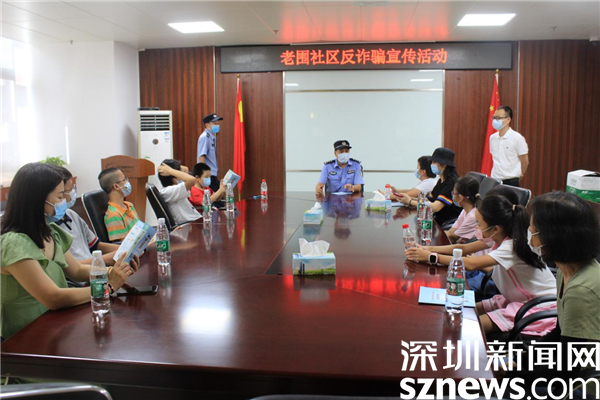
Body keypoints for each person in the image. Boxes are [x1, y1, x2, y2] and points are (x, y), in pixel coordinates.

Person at [0, 163, 134, 339]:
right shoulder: (14, 243)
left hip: (55, 324)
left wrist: (114, 272)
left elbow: (76, 271)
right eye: (59, 196)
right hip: (24, 337)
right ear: (38, 200)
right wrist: (107, 286)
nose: (65, 200)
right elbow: (53, 298)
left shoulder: (50, 232)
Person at [405, 192, 557, 336]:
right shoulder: (498, 237)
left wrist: (431, 257)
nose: (476, 228)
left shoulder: (511, 246)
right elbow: (463, 249)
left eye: (478, 224)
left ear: (495, 229)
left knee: (462, 327)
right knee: (455, 312)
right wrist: (428, 249)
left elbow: (471, 264)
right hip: (514, 298)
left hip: (536, 305)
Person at [509, 191, 600, 395]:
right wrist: (518, 361)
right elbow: (559, 334)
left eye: (533, 231)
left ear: (553, 237)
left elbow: (569, 367)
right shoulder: (566, 271)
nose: (528, 235)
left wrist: (514, 375)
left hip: (585, 385)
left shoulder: (581, 290)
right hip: (570, 368)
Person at [49, 165, 127, 266]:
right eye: (70, 189)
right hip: (86, 271)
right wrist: (103, 259)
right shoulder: (49, 228)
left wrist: (125, 250)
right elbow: (71, 269)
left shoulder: (71, 215)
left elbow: (95, 245)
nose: (73, 192)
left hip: (93, 269)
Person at [397, 147, 461, 227]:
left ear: (444, 165)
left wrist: (410, 201)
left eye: (434, 162)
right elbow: (429, 200)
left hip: (448, 223)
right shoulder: (441, 180)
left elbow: (435, 207)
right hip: (437, 220)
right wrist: (408, 198)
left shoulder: (451, 183)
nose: (431, 165)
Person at [490, 105, 529, 187]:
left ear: (508, 119)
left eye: (498, 118)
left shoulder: (517, 138)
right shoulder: (492, 138)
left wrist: (520, 174)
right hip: (494, 180)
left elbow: (525, 161)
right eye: (494, 118)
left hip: (510, 181)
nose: (495, 120)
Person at [98, 168, 141, 242]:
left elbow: (141, 229)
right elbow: (121, 245)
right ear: (116, 186)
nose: (127, 182)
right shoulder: (114, 215)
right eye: (124, 179)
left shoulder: (129, 205)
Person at [157, 159, 201, 225]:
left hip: (195, 221)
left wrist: (170, 169)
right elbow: (192, 180)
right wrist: (170, 171)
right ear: (173, 178)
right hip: (190, 225)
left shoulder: (173, 187)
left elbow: (186, 169)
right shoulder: (169, 191)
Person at [446, 175, 480, 244]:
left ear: (460, 197)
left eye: (453, 193)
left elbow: (452, 237)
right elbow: (451, 232)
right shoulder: (465, 210)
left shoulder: (473, 216)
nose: (452, 195)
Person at [197, 113, 223, 193]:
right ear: (207, 125)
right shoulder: (205, 137)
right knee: (215, 198)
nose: (217, 125)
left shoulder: (212, 137)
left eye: (218, 123)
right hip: (208, 176)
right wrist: (204, 176)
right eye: (215, 123)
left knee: (219, 195)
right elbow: (201, 158)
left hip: (213, 175)